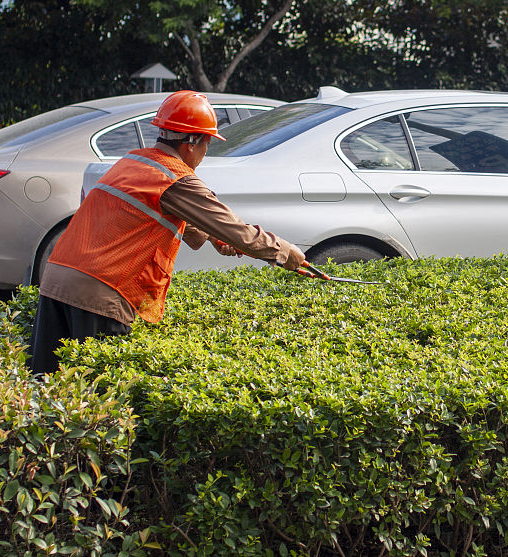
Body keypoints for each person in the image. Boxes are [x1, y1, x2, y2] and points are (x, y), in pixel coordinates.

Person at [28, 90, 306, 374]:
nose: (205, 151)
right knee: (99, 400)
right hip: (99, 294)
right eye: (207, 142)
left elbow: (173, 220)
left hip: (56, 280)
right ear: (192, 142)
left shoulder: (132, 162)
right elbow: (238, 232)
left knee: (48, 388)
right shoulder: (176, 177)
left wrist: (212, 237)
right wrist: (286, 252)